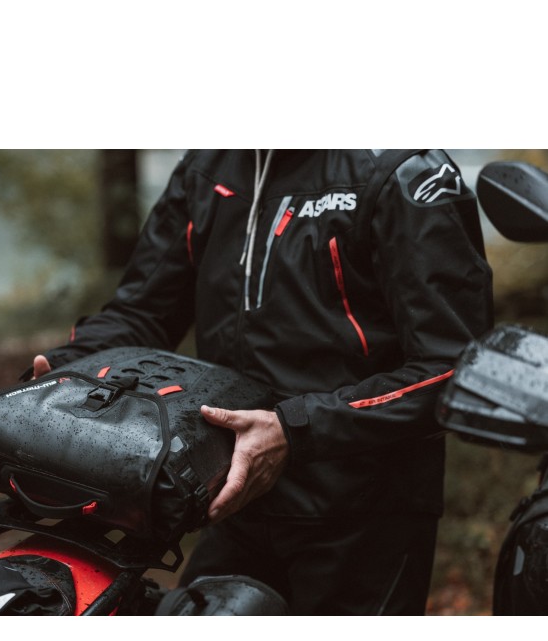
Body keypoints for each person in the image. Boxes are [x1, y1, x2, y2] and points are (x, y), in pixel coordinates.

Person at [29, 150, 494, 615]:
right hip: (232, 496)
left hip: (364, 512)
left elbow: (456, 368)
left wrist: (295, 430)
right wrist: (67, 367)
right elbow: (143, 313)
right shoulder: (209, 167)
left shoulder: (404, 172)